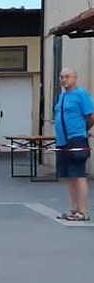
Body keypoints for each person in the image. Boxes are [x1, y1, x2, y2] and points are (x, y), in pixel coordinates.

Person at [55, 68, 94, 221]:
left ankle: (83, 211)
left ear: (75, 78)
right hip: (62, 141)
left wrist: (83, 130)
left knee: (78, 174)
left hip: (76, 139)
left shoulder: (81, 94)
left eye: (67, 77)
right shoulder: (62, 97)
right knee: (69, 176)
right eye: (61, 77)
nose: (64, 79)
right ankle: (73, 209)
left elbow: (91, 116)